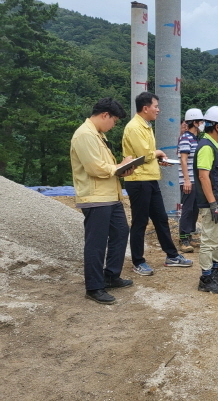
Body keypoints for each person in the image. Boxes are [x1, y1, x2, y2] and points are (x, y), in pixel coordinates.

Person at [70, 98, 135, 304]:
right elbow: (94, 168)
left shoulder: (98, 134)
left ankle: (111, 275)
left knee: (121, 232)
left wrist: (122, 168)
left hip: (110, 195)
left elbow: (106, 166)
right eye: (114, 120)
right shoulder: (84, 135)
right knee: (96, 243)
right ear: (105, 115)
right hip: (95, 197)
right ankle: (94, 287)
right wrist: (120, 166)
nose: (113, 125)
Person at [122, 91, 193, 276]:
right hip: (138, 181)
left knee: (161, 218)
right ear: (145, 108)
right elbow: (143, 155)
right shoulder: (134, 127)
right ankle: (138, 261)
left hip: (150, 179)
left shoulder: (145, 125)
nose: (158, 110)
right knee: (140, 221)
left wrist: (158, 159)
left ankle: (171, 255)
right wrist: (157, 153)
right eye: (156, 106)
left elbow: (147, 156)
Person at [194, 106, 218, 294]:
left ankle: (215, 270)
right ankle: (206, 278)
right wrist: (212, 204)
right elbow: (203, 176)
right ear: (217, 127)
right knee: (210, 240)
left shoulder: (214, 145)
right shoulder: (206, 147)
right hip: (213, 203)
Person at [178, 108, 205, 252]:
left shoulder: (195, 138)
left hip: (195, 181)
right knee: (187, 210)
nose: (202, 124)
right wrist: (187, 180)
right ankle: (183, 239)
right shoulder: (186, 138)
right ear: (194, 122)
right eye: (200, 121)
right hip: (188, 181)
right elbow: (183, 159)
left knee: (194, 210)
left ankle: (189, 236)